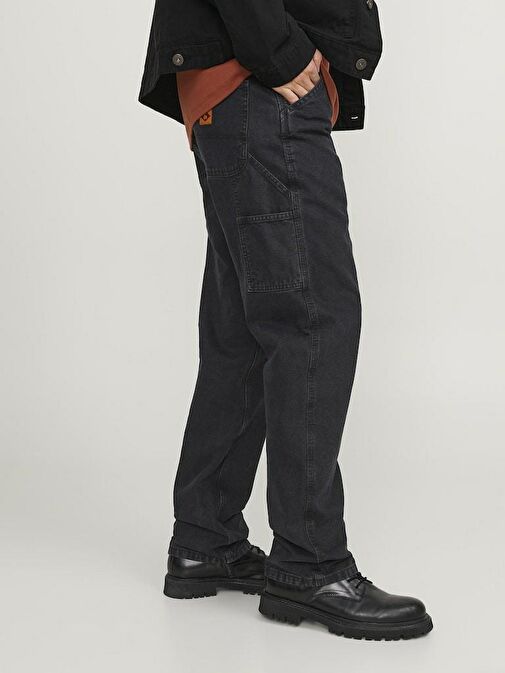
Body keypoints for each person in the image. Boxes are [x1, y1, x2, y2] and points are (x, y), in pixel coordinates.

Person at [139, 0, 433, 640]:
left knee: (244, 332)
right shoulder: (269, 69)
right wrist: (281, 51)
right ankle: (310, 563)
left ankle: (206, 539)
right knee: (314, 319)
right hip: (256, 86)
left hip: (234, 92)